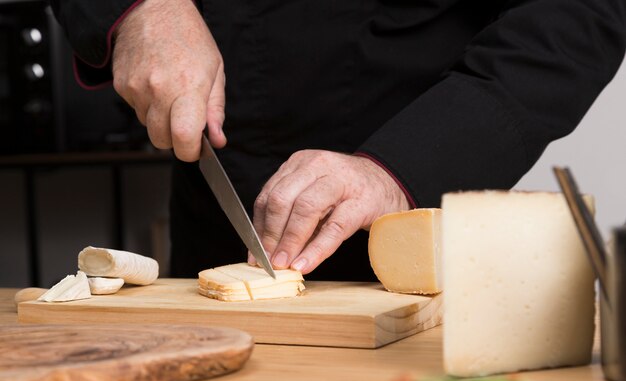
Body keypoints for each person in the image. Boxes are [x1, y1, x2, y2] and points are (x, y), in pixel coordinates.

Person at [51, 0, 625, 280]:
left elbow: (574, 14)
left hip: (421, 196)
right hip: (221, 179)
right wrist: (139, 8)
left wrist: (402, 166)